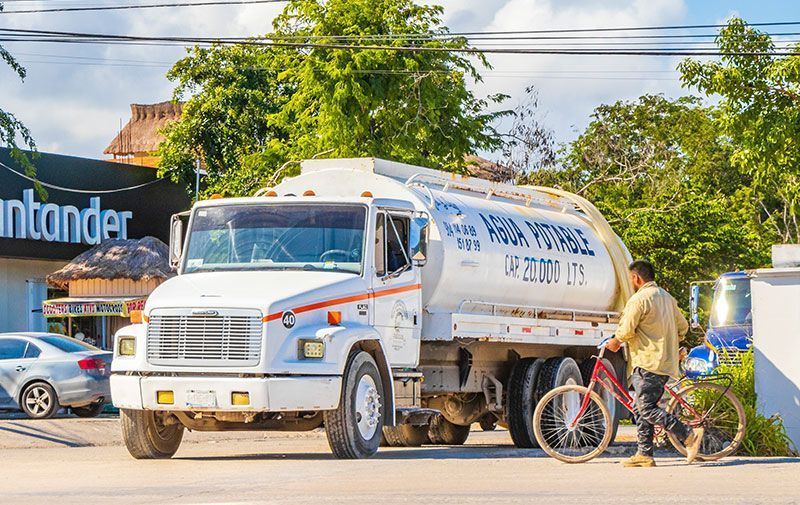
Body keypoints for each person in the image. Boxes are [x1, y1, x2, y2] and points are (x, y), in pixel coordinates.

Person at [605, 260, 704, 467]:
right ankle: (645, 454)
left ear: (636, 278)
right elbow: (683, 327)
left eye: (630, 278)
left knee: (646, 409)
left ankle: (688, 434)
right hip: (665, 363)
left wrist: (614, 342)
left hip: (648, 362)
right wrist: (670, 341)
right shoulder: (667, 298)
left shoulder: (639, 299)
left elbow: (626, 330)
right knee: (640, 407)